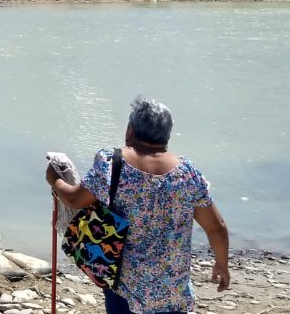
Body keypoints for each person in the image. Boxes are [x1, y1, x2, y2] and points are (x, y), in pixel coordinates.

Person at [45, 97, 230, 314]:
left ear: (130, 131)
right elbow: (216, 226)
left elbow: (75, 199)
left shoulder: (112, 164)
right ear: (167, 135)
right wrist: (221, 264)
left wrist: (55, 180)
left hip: (125, 284)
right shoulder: (188, 173)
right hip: (172, 288)